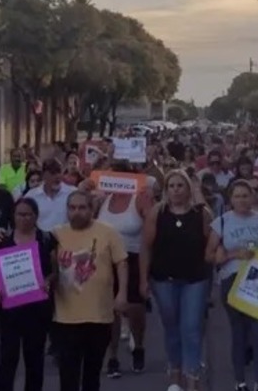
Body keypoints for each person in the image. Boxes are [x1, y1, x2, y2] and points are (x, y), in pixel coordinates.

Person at [140, 170, 212, 391]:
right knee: (171, 327)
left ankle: (192, 377)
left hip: (195, 280)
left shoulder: (202, 213)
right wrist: (143, 280)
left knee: (190, 328)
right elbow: (146, 247)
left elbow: (212, 243)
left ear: (188, 188)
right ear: (165, 189)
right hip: (164, 280)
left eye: (180, 185)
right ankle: (175, 375)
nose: (176, 190)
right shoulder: (157, 212)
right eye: (171, 186)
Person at [205, 180, 258, 391]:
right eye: (237, 196)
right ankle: (240, 381)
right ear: (230, 199)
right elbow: (210, 255)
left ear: (253, 197)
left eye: (245, 195)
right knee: (239, 332)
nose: (242, 200)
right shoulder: (221, 223)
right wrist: (232, 254)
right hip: (233, 279)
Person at [53, 191, 128, 391]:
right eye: (72, 208)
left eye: (82, 208)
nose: (77, 212)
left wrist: (122, 294)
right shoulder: (56, 234)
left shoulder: (108, 232)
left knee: (92, 375)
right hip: (66, 317)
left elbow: (121, 263)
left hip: (99, 316)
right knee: (68, 375)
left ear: (91, 209)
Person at [98, 162, 155, 378]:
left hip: (133, 258)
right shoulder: (104, 199)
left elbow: (152, 225)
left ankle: (138, 345)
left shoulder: (139, 198)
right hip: (106, 259)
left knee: (134, 309)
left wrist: (148, 202)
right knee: (110, 311)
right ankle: (112, 356)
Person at [0, 198, 54, 391]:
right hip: (11, 310)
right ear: (14, 216)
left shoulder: (46, 239)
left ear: (36, 216)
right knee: (8, 359)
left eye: (29, 214)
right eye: (20, 214)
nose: (25, 218)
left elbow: (56, 270)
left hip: (37, 310)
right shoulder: (3, 241)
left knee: (34, 360)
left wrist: (49, 281)